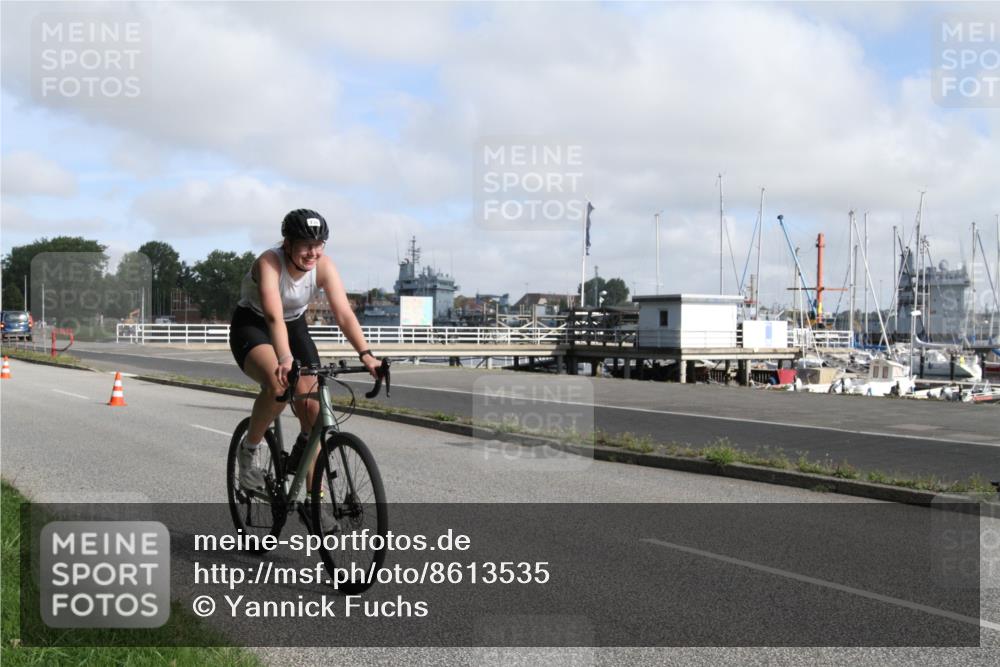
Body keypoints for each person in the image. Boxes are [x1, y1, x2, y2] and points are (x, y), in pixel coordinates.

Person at [228, 209, 380, 490]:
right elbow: (273, 317)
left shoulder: (324, 266)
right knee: (278, 385)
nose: (313, 253)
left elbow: (344, 315)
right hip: (254, 324)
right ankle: (248, 451)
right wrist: (285, 358)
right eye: (305, 246)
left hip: (294, 325)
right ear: (287, 244)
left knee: (313, 408)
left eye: (319, 245)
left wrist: (366, 354)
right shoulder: (269, 263)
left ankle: (315, 504)